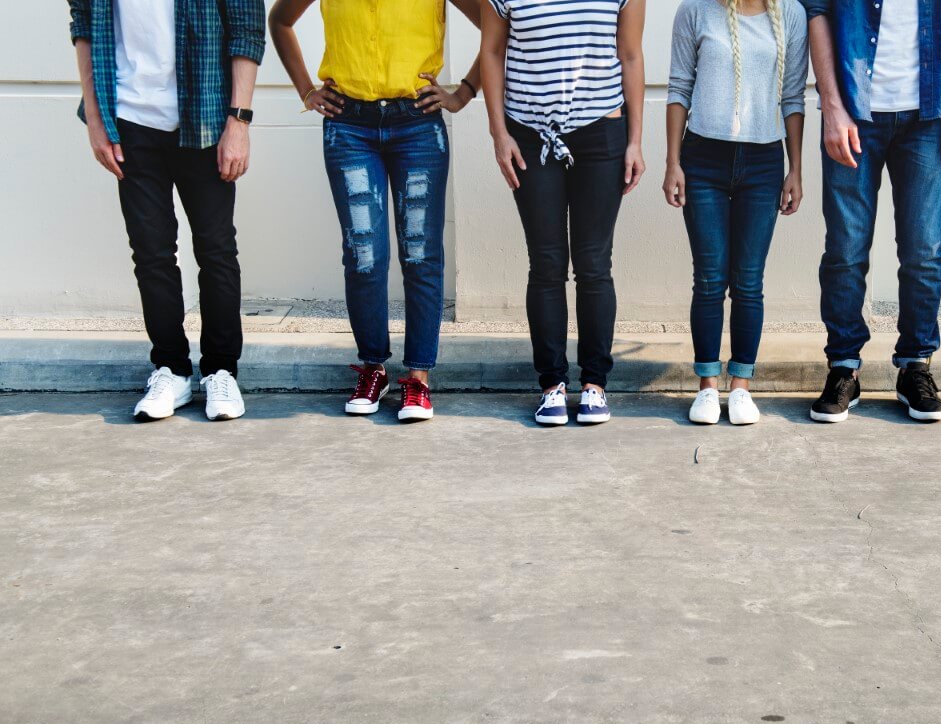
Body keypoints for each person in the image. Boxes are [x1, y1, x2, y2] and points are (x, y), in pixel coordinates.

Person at [269, 0, 483, 421]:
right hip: (348, 124)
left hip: (417, 123)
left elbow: (496, 25)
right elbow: (280, 20)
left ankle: (418, 378)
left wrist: (464, 92)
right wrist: (307, 91)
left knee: (421, 254)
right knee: (364, 254)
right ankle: (372, 367)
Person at [68, 0, 265, 421]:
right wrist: (96, 119)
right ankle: (171, 370)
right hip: (130, 120)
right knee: (152, 252)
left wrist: (239, 121)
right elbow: (83, 23)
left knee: (216, 250)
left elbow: (247, 29)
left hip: (206, 116)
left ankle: (221, 371)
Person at [800, 0, 941, 423]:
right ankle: (843, 368)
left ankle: (915, 367)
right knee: (846, 249)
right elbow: (818, 12)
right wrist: (830, 106)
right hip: (853, 109)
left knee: (924, 249)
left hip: (932, 114)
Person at [480, 0, 647, 426]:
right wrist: (499, 134)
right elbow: (493, 52)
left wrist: (634, 140)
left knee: (593, 263)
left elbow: (629, 54)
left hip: (601, 132)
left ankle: (594, 384)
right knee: (547, 262)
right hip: (530, 134)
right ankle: (552, 384)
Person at [664, 0, 809, 426]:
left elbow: (792, 97)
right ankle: (708, 385)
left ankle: (741, 385)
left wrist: (795, 168)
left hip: (764, 161)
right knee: (710, 277)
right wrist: (673, 162)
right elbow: (678, 89)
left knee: (748, 280)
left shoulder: (792, 15)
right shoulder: (695, 12)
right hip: (703, 158)